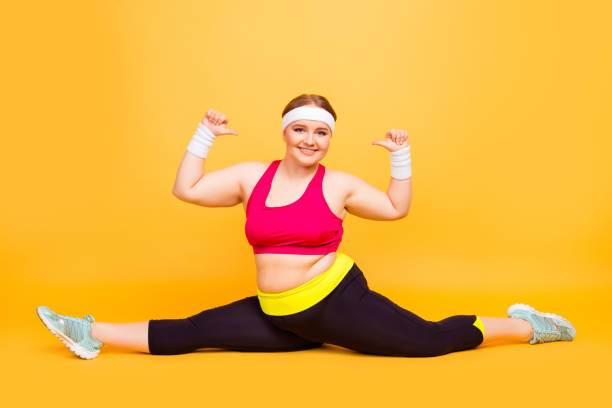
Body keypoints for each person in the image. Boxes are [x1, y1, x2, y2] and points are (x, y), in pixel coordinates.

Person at [36, 94, 576, 360]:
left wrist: (402, 159)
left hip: (337, 300)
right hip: (283, 314)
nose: (311, 139)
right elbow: (188, 190)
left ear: (329, 139)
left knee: (428, 342)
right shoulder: (252, 175)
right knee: (199, 331)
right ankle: (90, 333)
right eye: (301, 129)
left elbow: (395, 209)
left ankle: (528, 325)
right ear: (285, 133)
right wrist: (203, 135)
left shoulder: (338, 184)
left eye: (321, 131)